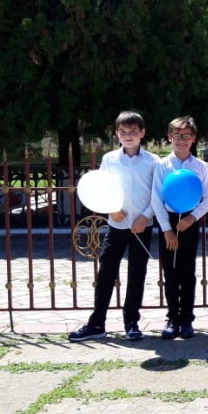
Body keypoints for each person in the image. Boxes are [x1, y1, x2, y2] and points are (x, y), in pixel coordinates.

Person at [69, 111, 158, 342]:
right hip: (116, 225)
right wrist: (111, 209)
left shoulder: (152, 161)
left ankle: (132, 322)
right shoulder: (109, 159)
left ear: (142, 133)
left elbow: (157, 194)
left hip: (141, 227)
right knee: (106, 272)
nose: (128, 136)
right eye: (123, 131)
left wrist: (145, 216)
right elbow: (102, 188)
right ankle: (96, 323)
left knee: (136, 274)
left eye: (133, 131)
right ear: (117, 134)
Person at [151, 115, 208, 340]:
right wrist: (167, 229)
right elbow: (156, 199)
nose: (181, 140)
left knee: (187, 272)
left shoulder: (199, 166)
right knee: (170, 272)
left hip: (189, 220)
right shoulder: (162, 165)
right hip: (168, 221)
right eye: (177, 135)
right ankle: (172, 318)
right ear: (170, 137)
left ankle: (187, 318)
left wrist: (192, 218)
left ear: (193, 138)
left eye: (186, 136)